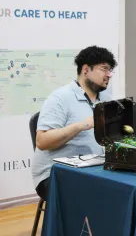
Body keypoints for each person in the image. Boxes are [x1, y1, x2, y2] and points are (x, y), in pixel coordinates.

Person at [32, 46, 117, 200]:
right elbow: (42, 141)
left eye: (110, 70)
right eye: (104, 69)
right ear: (85, 70)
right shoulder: (60, 98)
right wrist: (81, 125)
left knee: (126, 188)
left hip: (94, 170)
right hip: (55, 174)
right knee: (102, 194)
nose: (108, 75)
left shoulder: (107, 101)